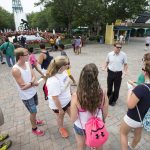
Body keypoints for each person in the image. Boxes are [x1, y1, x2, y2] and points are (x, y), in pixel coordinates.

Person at [71, 63, 108, 150]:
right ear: (96, 76)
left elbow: (73, 118)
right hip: (97, 127)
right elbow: (105, 113)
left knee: (81, 145)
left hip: (81, 127)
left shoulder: (76, 96)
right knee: (99, 144)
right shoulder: (103, 93)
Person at [11, 48, 45, 136]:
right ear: (20, 57)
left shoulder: (28, 63)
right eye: (26, 54)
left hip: (33, 91)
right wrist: (33, 83)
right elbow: (23, 87)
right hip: (26, 95)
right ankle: (34, 128)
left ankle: (35, 120)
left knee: (34, 109)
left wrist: (33, 82)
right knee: (33, 112)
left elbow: (33, 75)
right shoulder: (15, 70)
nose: (29, 55)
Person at [120, 61, 150, 150]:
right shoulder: (143, 87)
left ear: (145, 72)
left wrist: (130, 90)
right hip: (143, 118)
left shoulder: (141, 88)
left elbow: (130, 105)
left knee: (123, 133)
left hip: (133, 117)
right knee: (138, 133)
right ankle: (132, 147)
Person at [46, 56, 71, 138]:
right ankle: (61, 128)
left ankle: (79, 126)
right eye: (67, 64)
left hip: (67, 100)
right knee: (61, 116)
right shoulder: (53, 80)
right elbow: (55, 97)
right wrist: (60, 109)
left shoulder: (64, 72)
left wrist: (71, 94)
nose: (68, 65)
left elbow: (67, 84)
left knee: (73, 114)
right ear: (61, 67)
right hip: (58, 105)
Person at [102, 42, 128, 106]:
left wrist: (124, 72)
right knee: (109, 86)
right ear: (114, 47)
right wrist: (104, 67)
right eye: (117, 47)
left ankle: (114, 100)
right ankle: (108, 97)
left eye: (120, 47)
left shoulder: (123, 55)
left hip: (118, 73)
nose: (119, 48)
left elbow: (125, 64)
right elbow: (107, 62)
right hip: (110, 72)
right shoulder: (109, 54)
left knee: (117, 88)